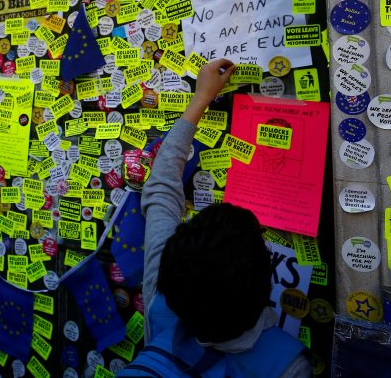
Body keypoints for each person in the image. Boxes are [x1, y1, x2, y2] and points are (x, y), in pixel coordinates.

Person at [119, 58, 310, 377]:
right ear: (268, 284)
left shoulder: (159, 307)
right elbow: (162, 191)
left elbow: (161, 188)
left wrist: (200, 99)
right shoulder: (288, 367)